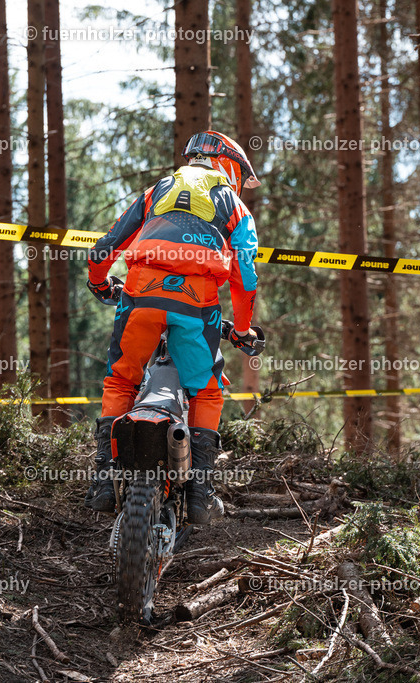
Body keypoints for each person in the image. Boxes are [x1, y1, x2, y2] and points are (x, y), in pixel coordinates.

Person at [84, 131, 260, 524]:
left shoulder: (157, 190)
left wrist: (99, 281)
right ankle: (199, 491)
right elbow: (245, 276)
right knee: (206, 392)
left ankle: (103, 480)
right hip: (196, 303)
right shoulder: (233, 204)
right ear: (229, 165)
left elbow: (105, 246)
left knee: (121, 381)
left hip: (140, 292)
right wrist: (244, 329)